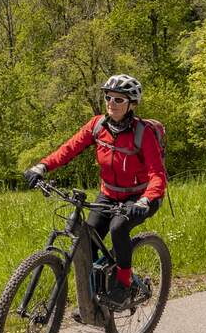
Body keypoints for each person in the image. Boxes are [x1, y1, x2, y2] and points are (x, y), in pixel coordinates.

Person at [23, 74, 166, 306]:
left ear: (132, 104)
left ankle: (124, 283)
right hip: (108, 194)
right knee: (87, 242)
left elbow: (157, 174)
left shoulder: (143, 133)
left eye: (119, 99)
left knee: (118, 228)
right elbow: (69, 149)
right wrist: (42, 166)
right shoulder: (98, 125)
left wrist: (145, 200)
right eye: (108, 97)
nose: (111, 103)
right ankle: (95, 300)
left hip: (139, 197)